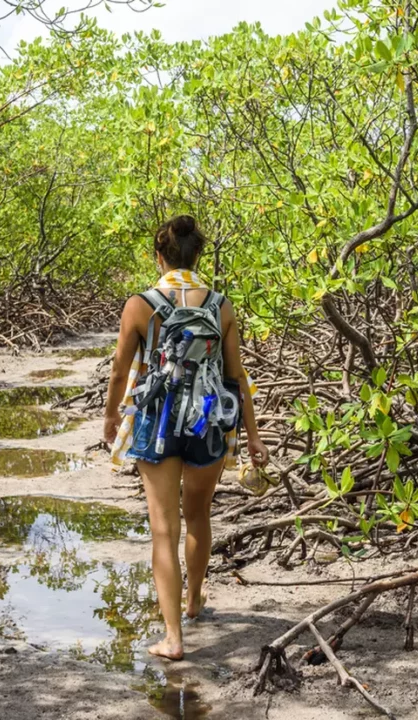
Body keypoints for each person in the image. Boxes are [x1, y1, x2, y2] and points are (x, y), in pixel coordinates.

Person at [104, 215, 269, 661]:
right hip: (208, 419)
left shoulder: (140, 303)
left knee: (163, 530)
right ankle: (195, 600)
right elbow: (237, 377)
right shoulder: (221, 304)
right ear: (199, 256)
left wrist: (109, 420)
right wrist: (252, 437)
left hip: (156, 420)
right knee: (198, 517)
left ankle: (173, 639)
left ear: (159, 257)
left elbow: (120, 370)